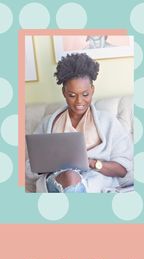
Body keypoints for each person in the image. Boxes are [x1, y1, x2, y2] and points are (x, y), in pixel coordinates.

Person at [26, 53, 133, 193]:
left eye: (85, 94)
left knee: (73, 180)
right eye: (72, 95)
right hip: (57, 181)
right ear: (64, 92)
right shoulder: (49, 123)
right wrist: (53, 165)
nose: (79, 102)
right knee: (69, 176)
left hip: (93, 181)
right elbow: (30, 167)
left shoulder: (108, 123)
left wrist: (92, 163)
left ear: (92, 90)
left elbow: (122, 169)